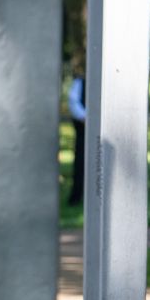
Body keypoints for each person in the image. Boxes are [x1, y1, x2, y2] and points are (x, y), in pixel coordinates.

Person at [67, 74, 87, 206]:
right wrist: (86, 117)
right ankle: (77, 196)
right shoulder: (80, 82)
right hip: (83, 129)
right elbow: (73, 102)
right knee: (80, 162)